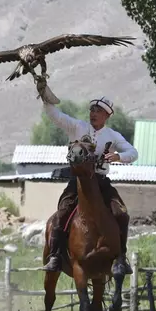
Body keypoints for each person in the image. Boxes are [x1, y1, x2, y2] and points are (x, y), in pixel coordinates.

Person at [39, 92, 138, 275]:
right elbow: (55, 115)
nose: (93, 113)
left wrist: (119, 156)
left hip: (100, 182)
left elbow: (133, 153)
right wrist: (45, 97)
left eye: (99, 110)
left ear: (107, 115)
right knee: (61, 215)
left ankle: (121, 258)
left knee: (121, 214)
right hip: (77, 182)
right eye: (92, 109)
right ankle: (55, 256)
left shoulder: (113, 135)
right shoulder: (77, 126)